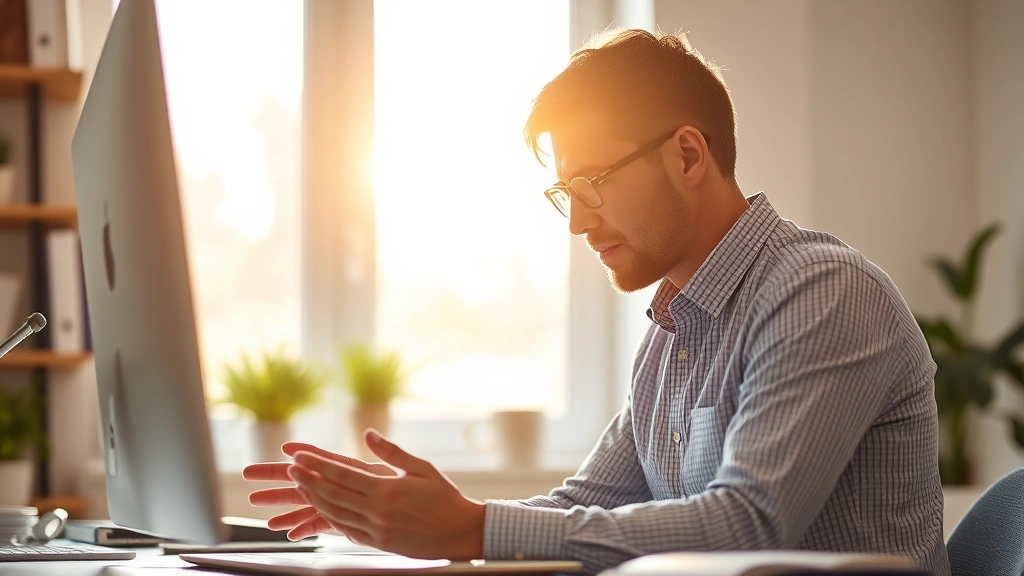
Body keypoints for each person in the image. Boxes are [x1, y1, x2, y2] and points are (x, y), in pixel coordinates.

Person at [244, 29, 950, 575]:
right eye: (565, 195)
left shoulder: (822, 294)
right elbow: (585, 506)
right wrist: (404, 515)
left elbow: (750, 528)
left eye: (594, 183)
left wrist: (472, 527)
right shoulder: (673, 331)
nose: (579, 222)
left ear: (687, 156)